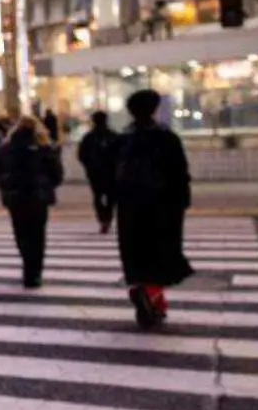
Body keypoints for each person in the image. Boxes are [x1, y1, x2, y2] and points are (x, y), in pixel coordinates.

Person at [116, 90, 193, 329]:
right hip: (162, 206)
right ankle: (153, 298)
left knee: (136, 253)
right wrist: (182, 201)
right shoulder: (166, 137)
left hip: (129, 207)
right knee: (159, 255)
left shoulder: (124, 139)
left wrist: (109, 204)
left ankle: (147, 295)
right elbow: (180, 173)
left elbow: (111, 173)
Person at [0, 117, 63, 289]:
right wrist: (47, 185)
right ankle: (34, 272)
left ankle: (27, 261)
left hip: (15, 197)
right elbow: (57, 174)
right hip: (38, 197)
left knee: (21, 232)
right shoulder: (44, 147)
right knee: (38, 235)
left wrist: (6, 186)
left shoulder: (4, 149)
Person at [77, 111, 121, 234]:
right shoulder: (113, 136)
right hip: (111, 172)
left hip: (95, 172)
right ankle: (107, 218)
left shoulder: (89, 137)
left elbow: (81, 155)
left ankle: (103, 219)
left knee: (97, 196)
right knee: (111, 197)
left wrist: (89, 166)